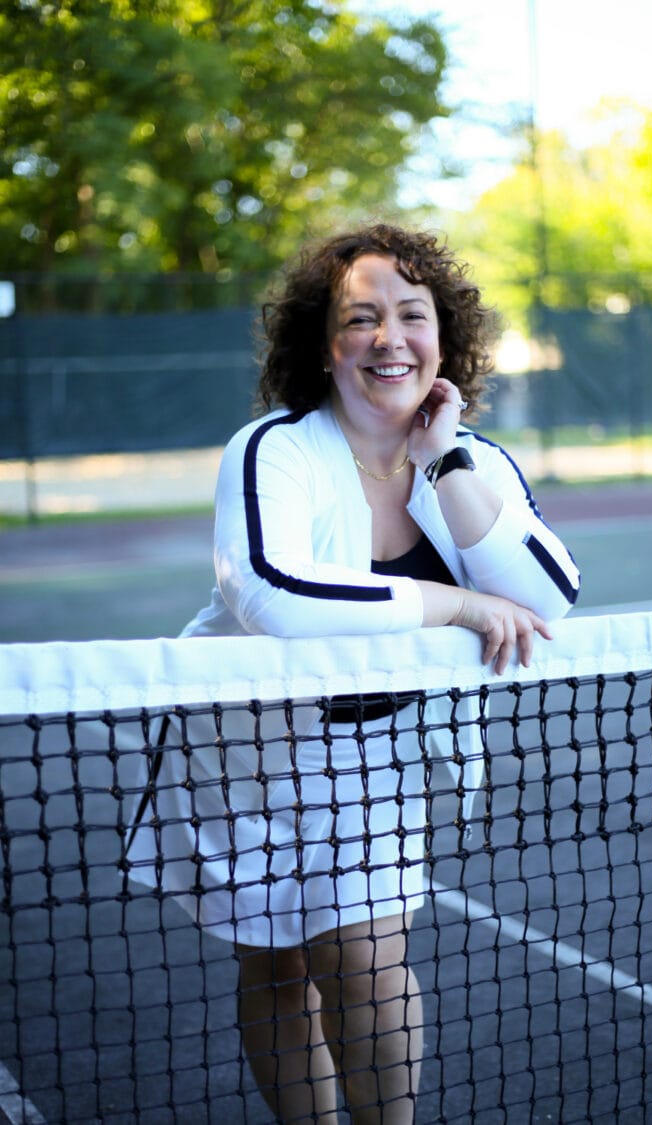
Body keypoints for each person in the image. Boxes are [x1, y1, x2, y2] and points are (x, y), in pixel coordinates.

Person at [127, 223, 580, 1123]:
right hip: (243, 746)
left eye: (412, 315)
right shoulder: (272, 449)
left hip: (378, 748)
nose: (389, 338)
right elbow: (272, 595)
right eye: (360, 318)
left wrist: (442, 457)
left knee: (367, 958)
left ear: (442, 338)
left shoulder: (477, 461)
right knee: (278, 961)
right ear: (323, 346)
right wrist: (455, 606)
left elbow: (549, 593)